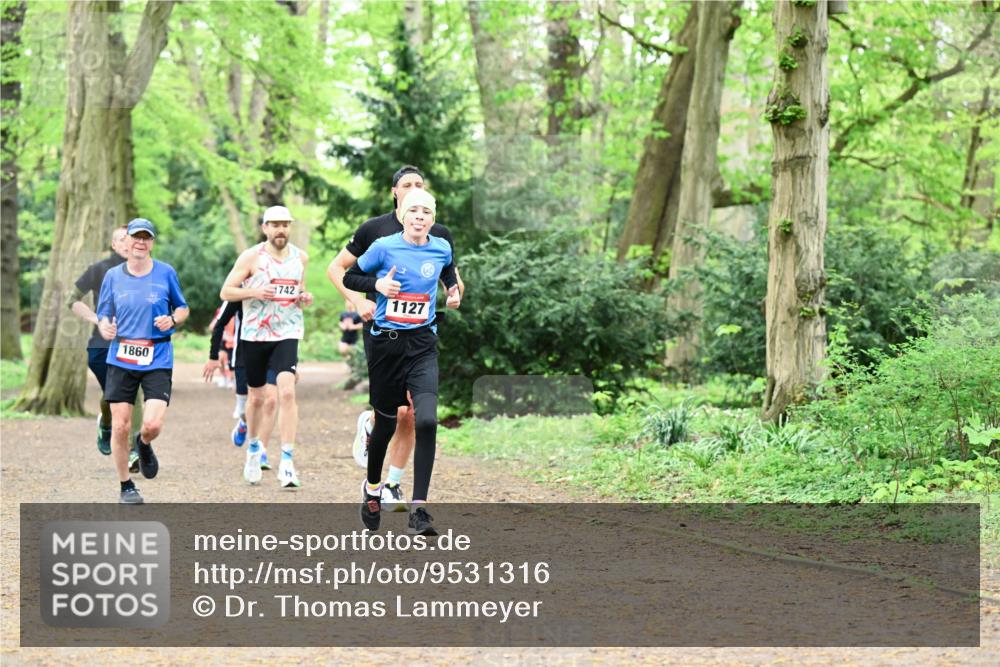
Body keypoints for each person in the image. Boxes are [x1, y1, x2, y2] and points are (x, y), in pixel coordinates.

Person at [326, 165, 463, 511]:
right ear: (394, 192)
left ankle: (393, 484)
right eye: (407, 185)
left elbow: (452, 276)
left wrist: (454, 292)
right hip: (381, 328)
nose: (414, 190)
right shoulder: (375, 230)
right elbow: (338, 269)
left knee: (414, 414)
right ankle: (372, 425)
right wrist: (359, 300)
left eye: (420, 185)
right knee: (392, 413)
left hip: (419, 334)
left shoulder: (438, 233)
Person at [354, 188, 461, 535]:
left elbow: (447, 271)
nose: (419, 217)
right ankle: (372, 490)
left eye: (426, 212)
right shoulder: (384, 247)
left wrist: (452, 290)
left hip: (422, 344)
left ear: (432, 218)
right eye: (413, 210)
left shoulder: (441, 246)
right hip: (386, 344)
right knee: (385, 426)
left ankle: (419, 509)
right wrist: (378, 285)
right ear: (402, 214)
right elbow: (349, 276)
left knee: (426, 420)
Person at [96, 218, 189, 504]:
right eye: (136, 236)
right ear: (128, 240)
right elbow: (103, 314)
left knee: (151, 425)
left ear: (151, 242)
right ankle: (126, 486)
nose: (140, 241)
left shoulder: (165, 273)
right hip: (122, 356)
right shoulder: (113, 276)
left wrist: (172, 319)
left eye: (146, 237)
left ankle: (144, 443)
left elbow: (183, 308)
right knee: (122, 425)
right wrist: (105, 327)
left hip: (157, 356)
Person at [220, 205, 313, 488]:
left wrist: (303, 297)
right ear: (265, 228)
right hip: (255, 335)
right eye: (274, 224)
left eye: (285, 224)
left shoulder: (301, 257)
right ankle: (253, 449)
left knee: (286, 392)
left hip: (287, 332)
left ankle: (287, 461)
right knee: (258, 399)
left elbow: (298, 290)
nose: (280, 229)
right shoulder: (252, 256)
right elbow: (226, 291)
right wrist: (255, 291)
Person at [68, 225, 141, 469]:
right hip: (101, 346)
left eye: (129, 238)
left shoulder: (145, 271)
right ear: (113, 244)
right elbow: (72, 300)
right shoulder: (98, 269)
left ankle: (134, 450)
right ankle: (106, 424)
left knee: (132, 394)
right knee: (113, 395)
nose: (125, 242)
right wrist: (97, 319)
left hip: (133, 344)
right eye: (120, 239)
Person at [203, 299, 278, 468]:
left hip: (273, 352)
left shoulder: (278, 287)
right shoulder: (240, 291)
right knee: (250, 404)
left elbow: (289, 325)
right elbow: (219, 323)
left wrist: (292, 363)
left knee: (271, 400)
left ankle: (262, 451)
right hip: (245, 354)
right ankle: (244, 422)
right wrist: (214, 355)